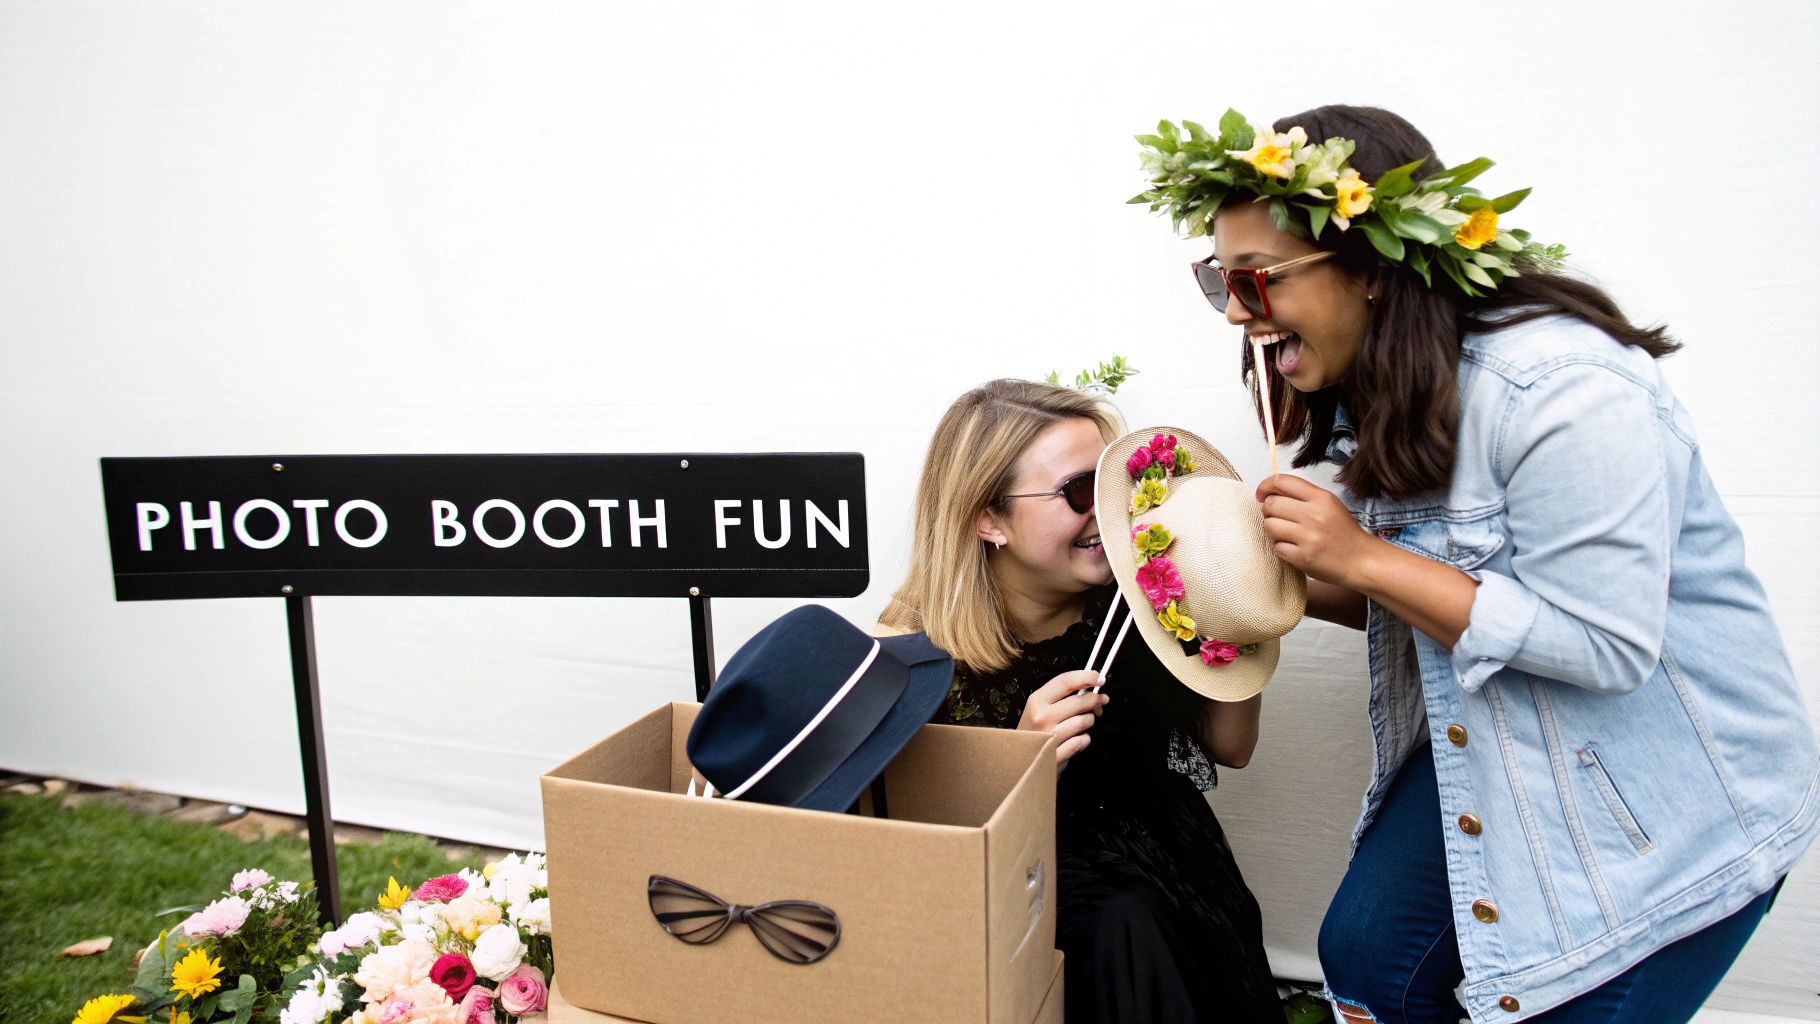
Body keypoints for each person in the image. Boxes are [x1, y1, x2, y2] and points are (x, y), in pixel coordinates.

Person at [1134, 104, 1820, 1022]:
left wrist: (1364, 557)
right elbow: (1421, 594)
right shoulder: (1384, 382)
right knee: (1370, 958)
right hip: (1502, 725)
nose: (1235, 312)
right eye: (1218, 281)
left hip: (1671, 801)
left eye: (1257, 282)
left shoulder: (1561, 385)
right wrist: (1253, 577)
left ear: (1373, 269)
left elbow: (1603, 647)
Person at [875, 378, 1282, 1022]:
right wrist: (1021, 760)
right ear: (988, 517)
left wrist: (1232, 611)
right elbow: (904, 863)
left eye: (1110, 486)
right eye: (1076, 491)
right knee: (1124, 924)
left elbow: (1232, 747)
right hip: (1041, 905)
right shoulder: (909, 657)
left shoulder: (1140, 605)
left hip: (1177, 871)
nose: (1105, 510)